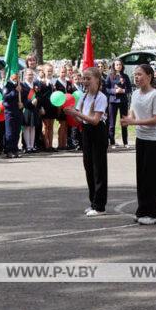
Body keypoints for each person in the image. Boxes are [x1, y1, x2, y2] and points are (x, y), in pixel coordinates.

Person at [121, 64, 156, 225]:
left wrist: (133, 122)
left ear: (149, 76)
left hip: (154, 140)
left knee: (151, 177)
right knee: (142, 176)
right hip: (141, 138)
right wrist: (128, 119)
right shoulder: (135, 94)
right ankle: (142, 209)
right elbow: (132, 112)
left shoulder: (155, 95)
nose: (136, 77)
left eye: (139, 74)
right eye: (135, 75)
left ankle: (154, 213)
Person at [67, 67, 109, 217]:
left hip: (97, 132)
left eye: (88, 78)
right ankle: (93, 202)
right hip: (86, 132)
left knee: (99, 169)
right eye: (84, 78)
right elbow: (81, 118)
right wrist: (72, 113)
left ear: (97, 80)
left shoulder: (101, 97)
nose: (85, 81)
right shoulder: (84, 96)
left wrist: (77, 113)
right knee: (89, 166)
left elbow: (96, 120)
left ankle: (100, 205)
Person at [104, 60, 132, 148]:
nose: (118, 66)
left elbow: (129, 89)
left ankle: (125, 142)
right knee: (112, 123)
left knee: (124, 122)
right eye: (117, 65)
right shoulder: (110, 76)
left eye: (120, 64)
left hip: (123, 101)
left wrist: (122, 90)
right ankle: (112, 142)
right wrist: (114, 91)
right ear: (114, 66)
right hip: (113, 101)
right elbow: (106, 88)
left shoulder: (125, 76)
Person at [2, 71, 25, 158]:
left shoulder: (20, 84)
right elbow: (5, 97)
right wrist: (15, 91)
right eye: (15, 74)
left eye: (18, 75)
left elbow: (24, 97)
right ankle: (9, 150)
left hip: (18, 111)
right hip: (10, 111)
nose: (17, 76)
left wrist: (23, 103)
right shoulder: (7, 85)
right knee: (10, 132)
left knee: (17, 131)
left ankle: (15, 149)